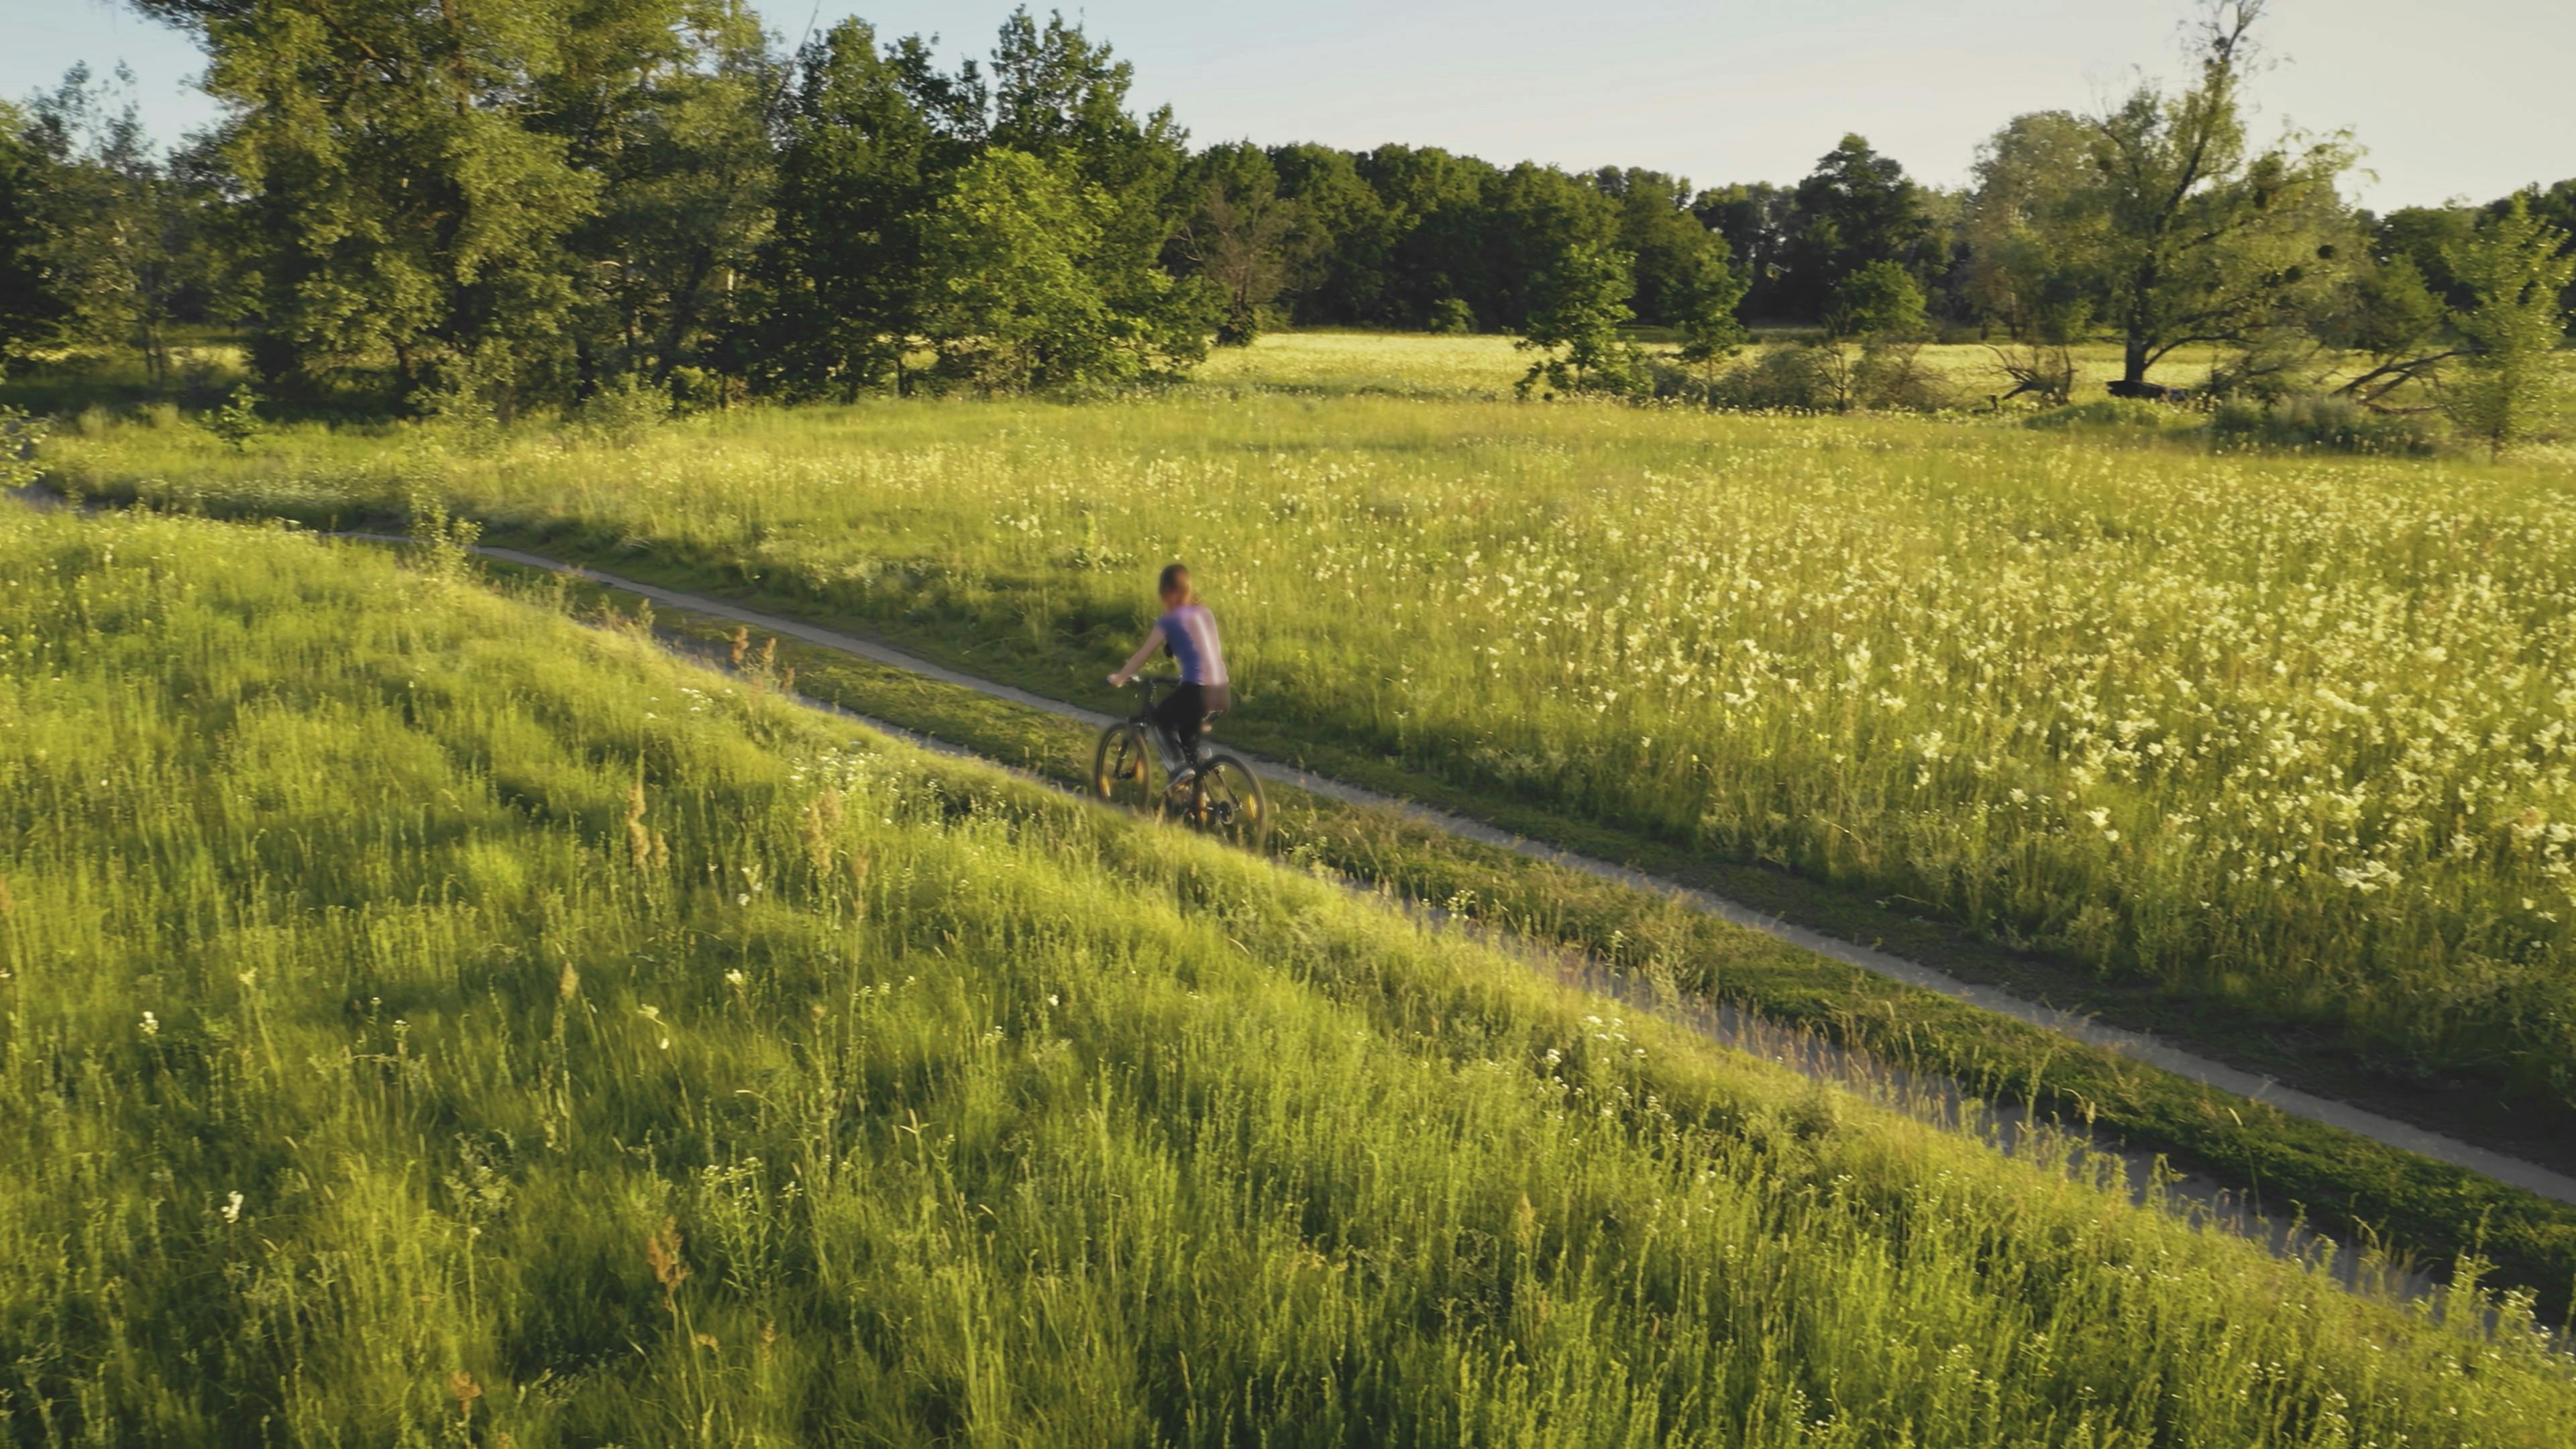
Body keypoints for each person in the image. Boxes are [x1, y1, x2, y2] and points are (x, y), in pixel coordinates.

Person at [1108, 562, 1230, 787]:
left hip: (1198, 690)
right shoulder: (1205, 613)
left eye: (1162, 595)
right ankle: (1198, 798)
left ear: (1170, 594)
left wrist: (1120, 677)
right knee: (1187, 735)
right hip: (1222, 691)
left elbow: (1141, 656)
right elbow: (1202, 651)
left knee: (1160, 720)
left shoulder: (1168, 621)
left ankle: (1178, 769)